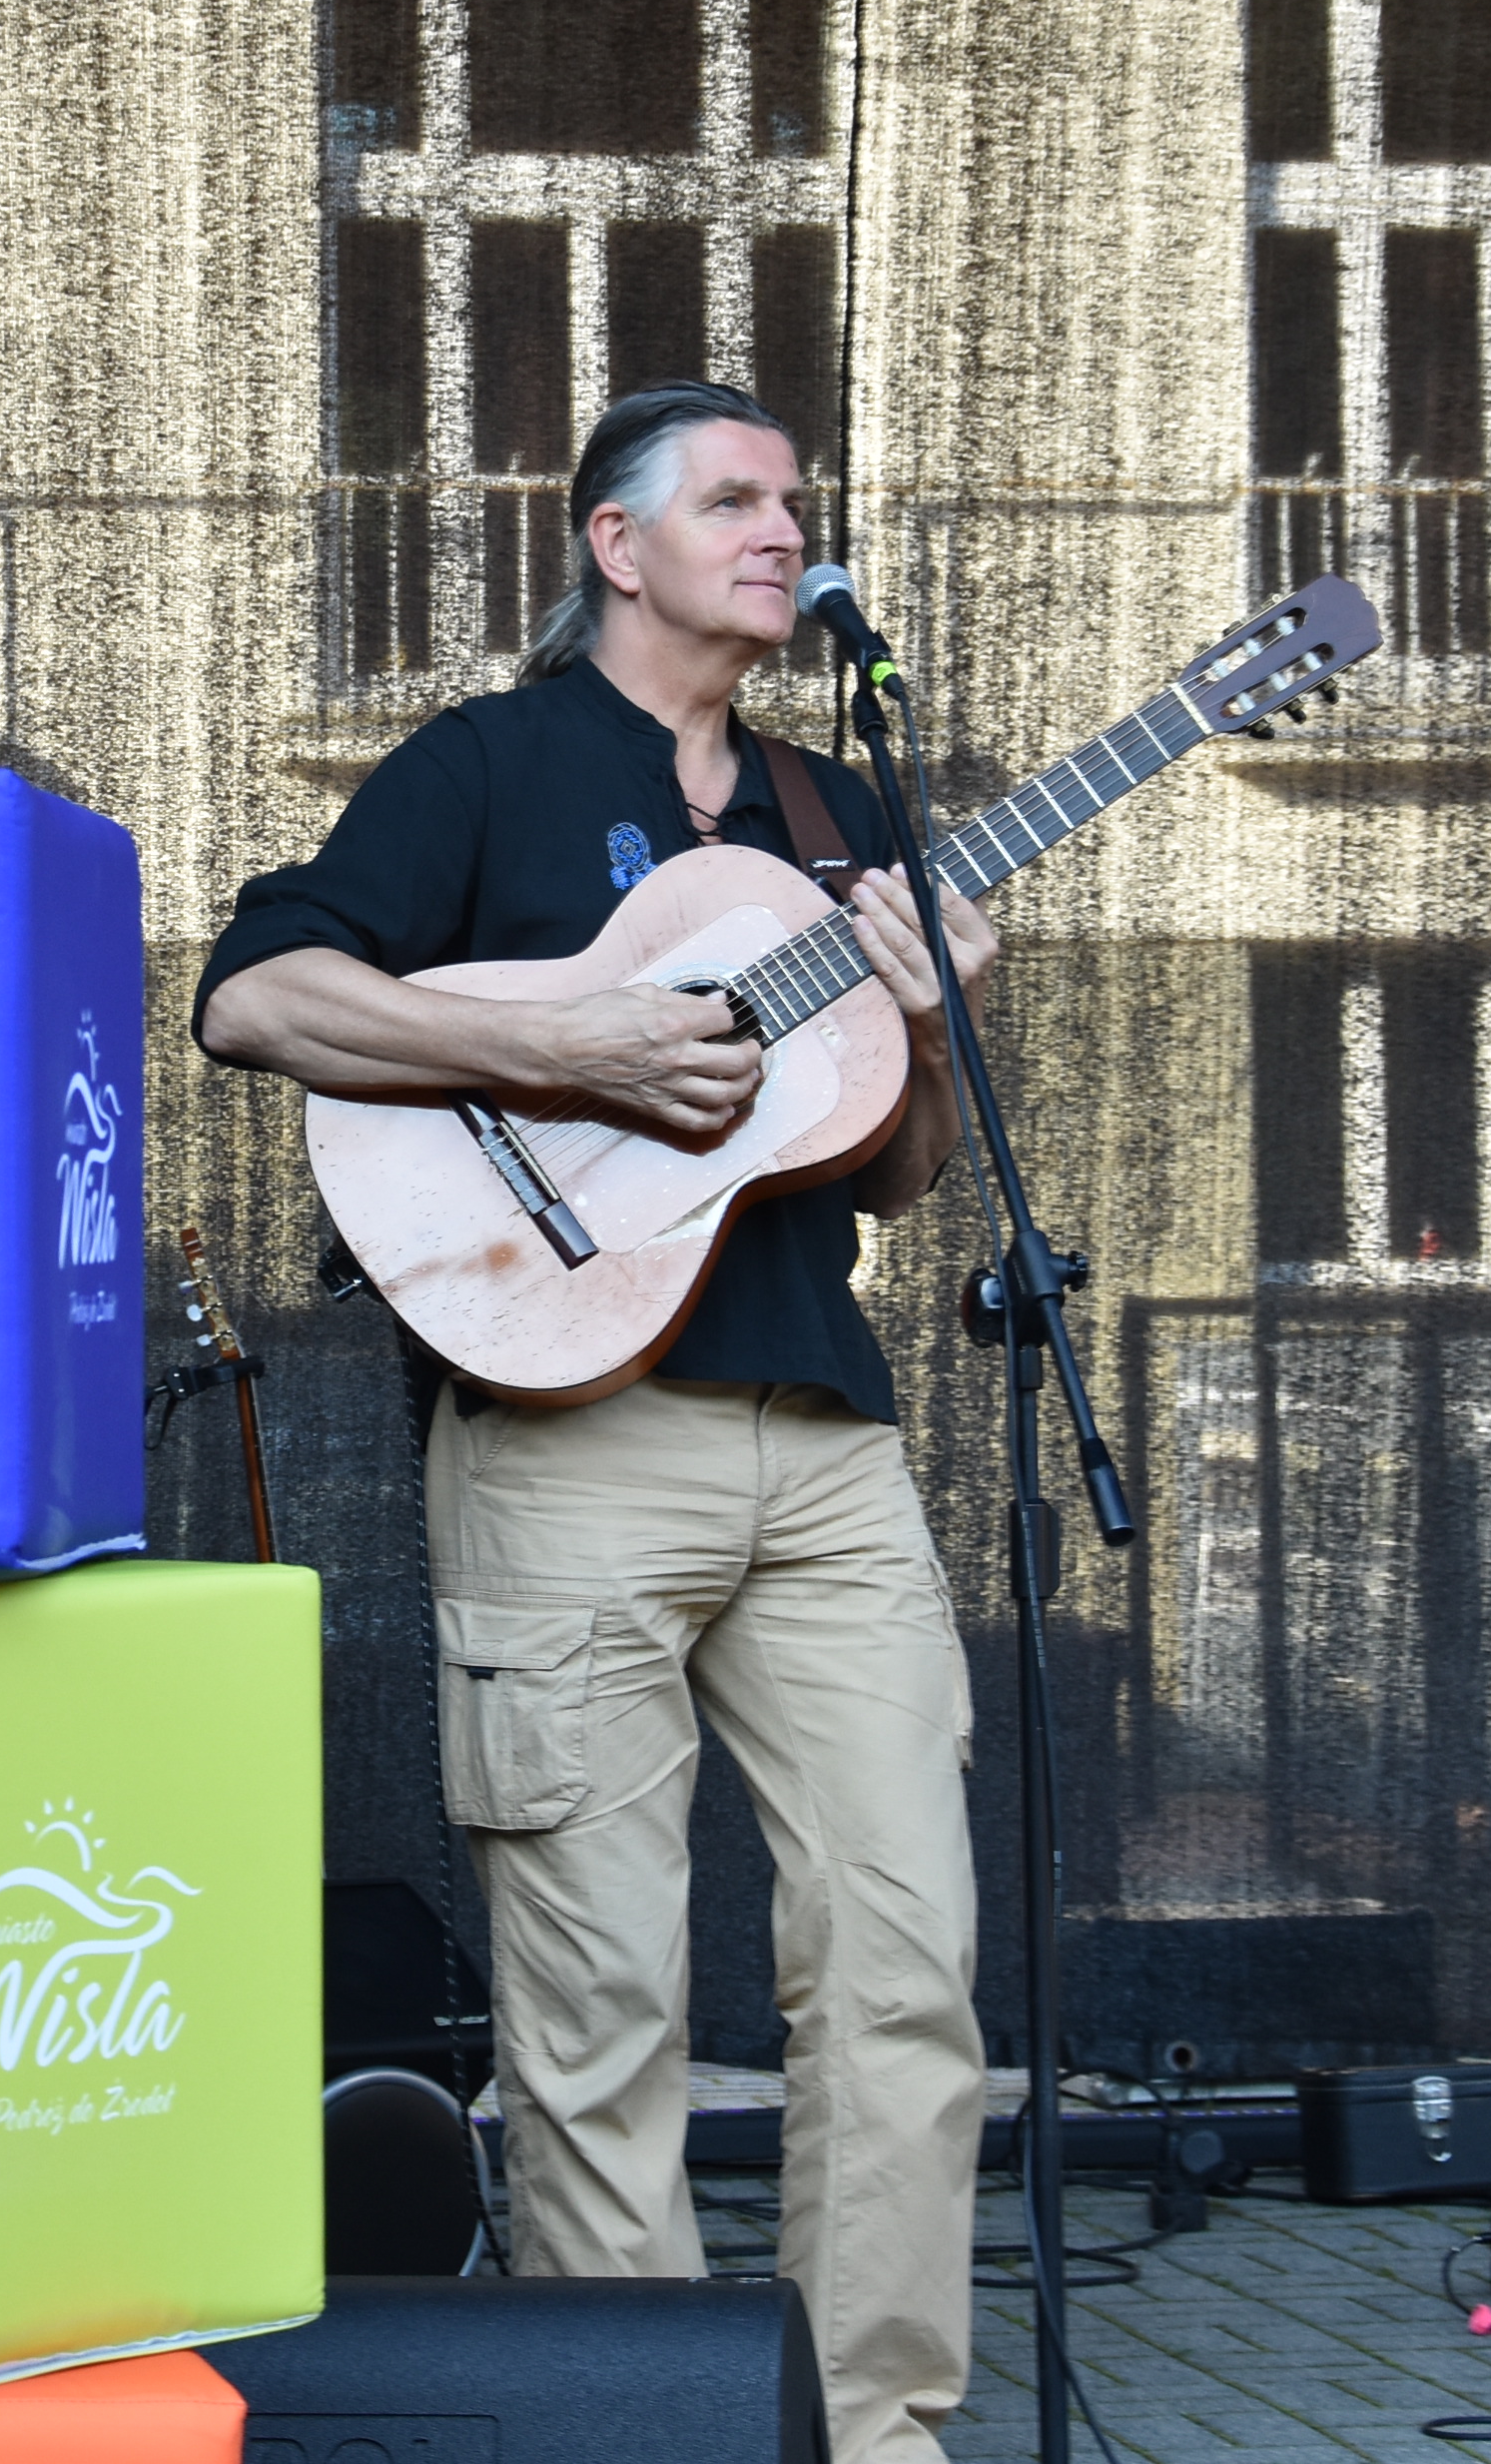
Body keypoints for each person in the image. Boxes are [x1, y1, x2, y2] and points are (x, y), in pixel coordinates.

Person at [198, 381, 997, 2464]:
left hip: (823, 1437)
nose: (782, 529)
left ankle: (875, 2433)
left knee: (905, 1970)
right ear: (613, 546)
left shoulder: (841, 813)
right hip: (572, 1437)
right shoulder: (487, 763)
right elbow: (254, 998)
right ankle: (641, 2436)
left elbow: (890, 1176)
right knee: (598, 2001)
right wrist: (571, 1050)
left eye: (794, 500)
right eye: (733, 499)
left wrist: (926, 1026)